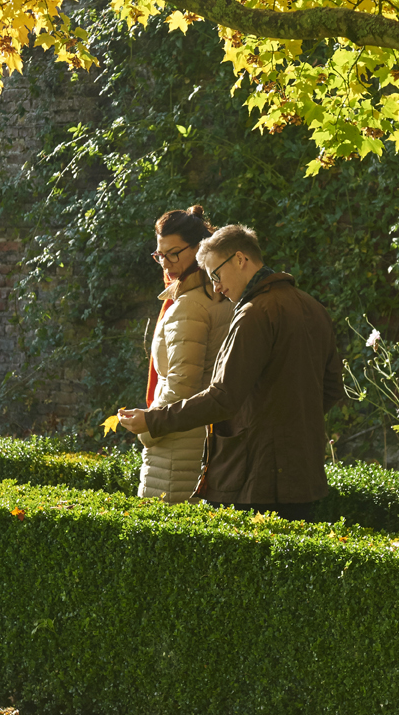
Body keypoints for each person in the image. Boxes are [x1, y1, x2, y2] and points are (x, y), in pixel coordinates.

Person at [117, 223, 344, 520]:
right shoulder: (313, 307)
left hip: (254, 478)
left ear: (240, 259)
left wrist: (154, 420)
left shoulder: (254, 313)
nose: (217, 287)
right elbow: (331, 390)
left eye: (217, 275)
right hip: (302, 474)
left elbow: (223, 398)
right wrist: (291, 426)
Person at [135, 205, 233, 502]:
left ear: (199, 249)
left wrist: (146, 427)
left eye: (173, 253)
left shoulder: (190, 305)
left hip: (178, 445)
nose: (165, 263)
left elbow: (181, 386)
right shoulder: (221, 295)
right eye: (159, 255)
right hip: (202, 437)